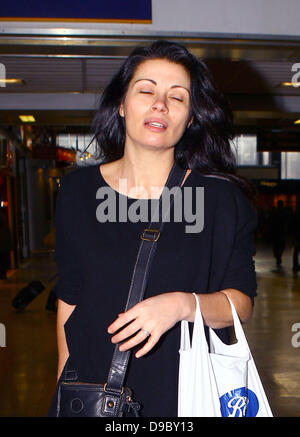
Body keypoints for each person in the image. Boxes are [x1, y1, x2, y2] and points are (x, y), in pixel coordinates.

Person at [47, 40, 258, 417]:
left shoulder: (220, 200)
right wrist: (65, 391)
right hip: (94, 394)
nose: (160, 104)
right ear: (122, 104)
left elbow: (240, 304)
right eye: (146, 90)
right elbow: (70, 301)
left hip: (180, 394)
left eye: (177, 98)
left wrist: (182, 304)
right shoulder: (78, 192)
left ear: (191, 118)